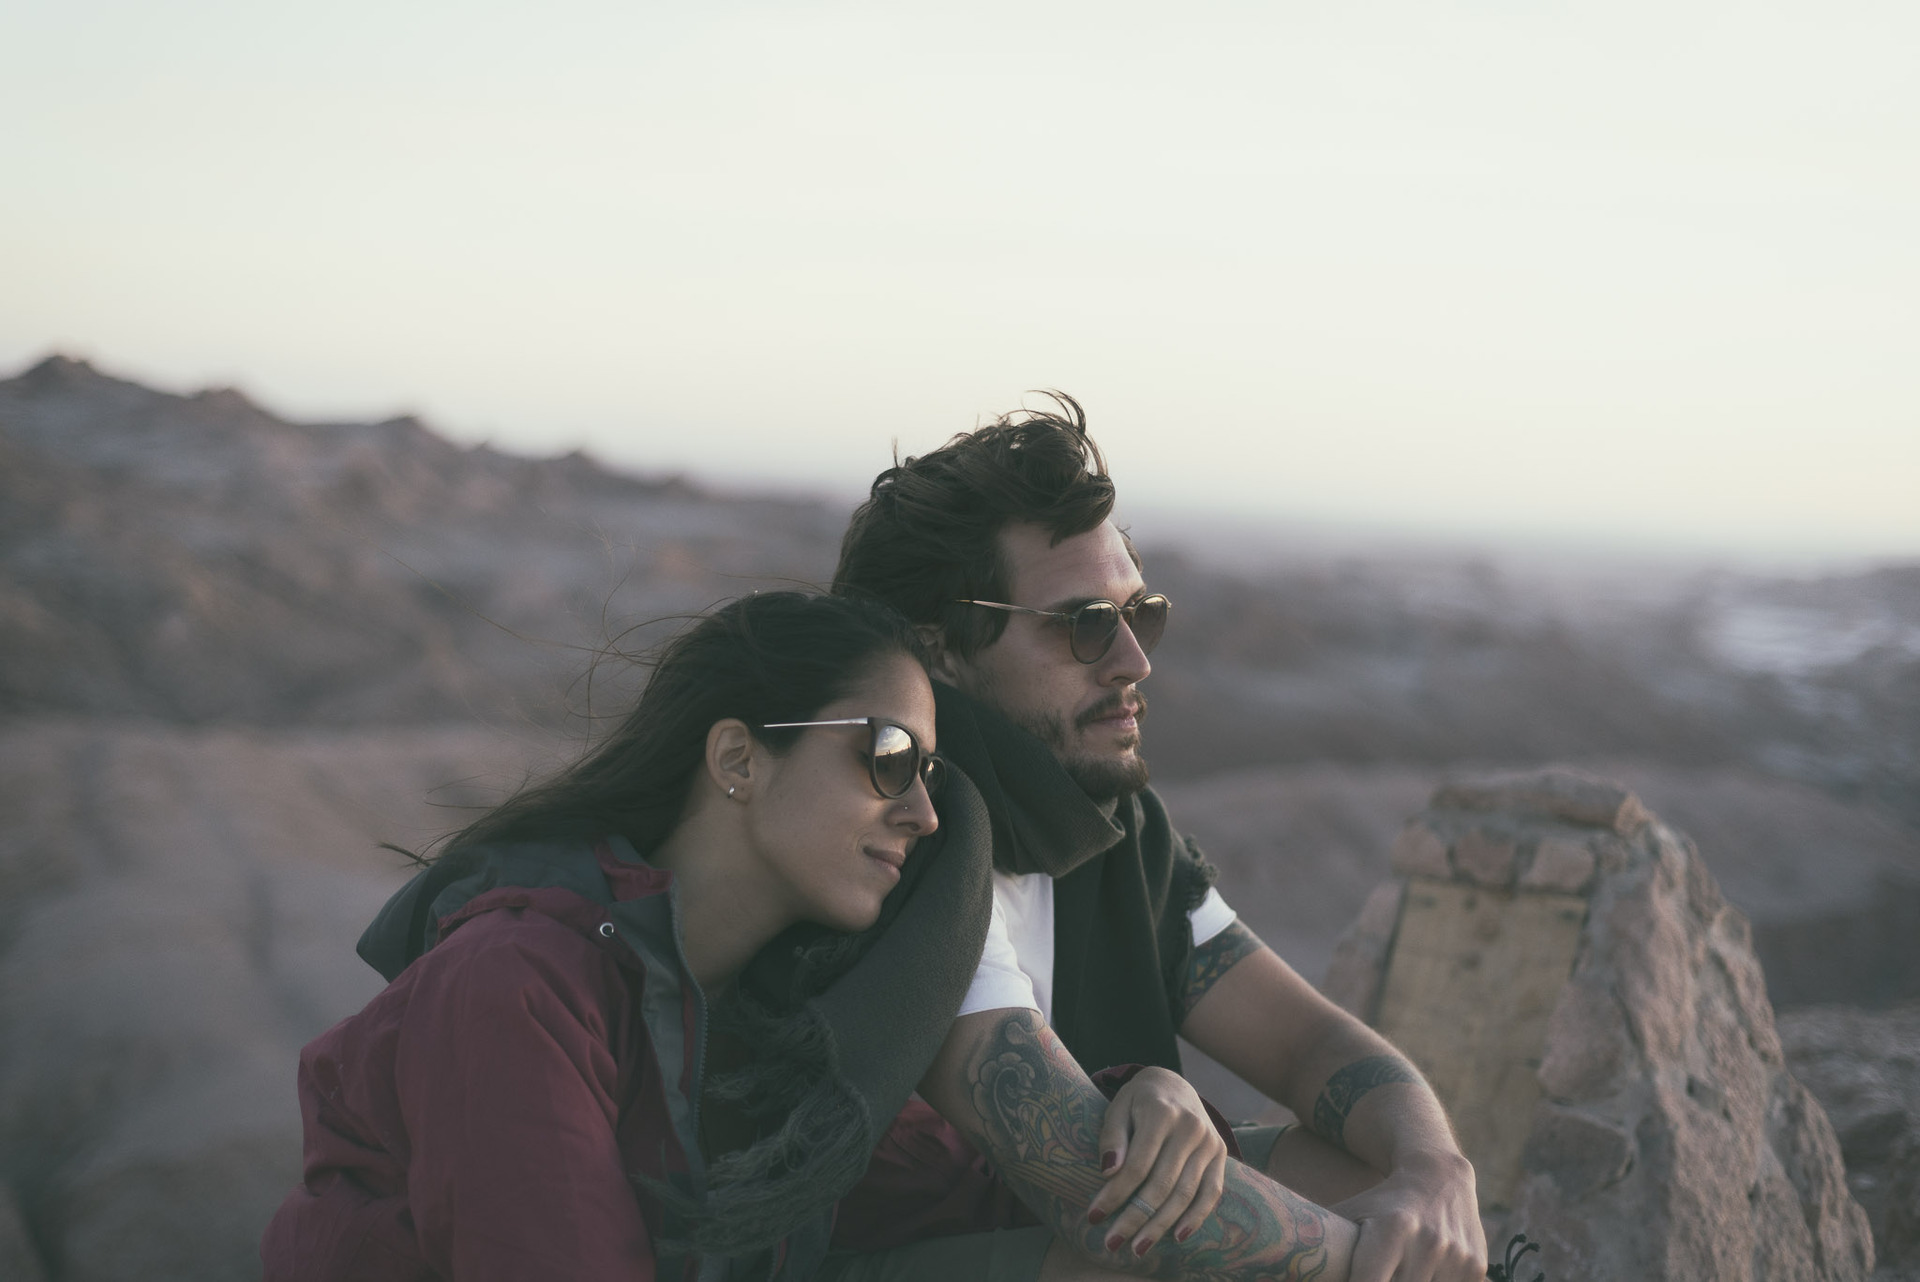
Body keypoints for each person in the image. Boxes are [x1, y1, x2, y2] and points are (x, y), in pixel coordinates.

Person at [825, 398, 1488, 1282]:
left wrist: (1434, 1172)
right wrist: (1372, 1264)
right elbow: (1077, 1181)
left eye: (1142, 615)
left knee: (1376, 1175)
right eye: (1085, 625)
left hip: (1039, 1231)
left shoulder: (1107, 829)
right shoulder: (905, 826)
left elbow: (1304, 1045)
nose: (1134, 661)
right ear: (943, 654)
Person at [261, 592, 990, 1281]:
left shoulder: (769, 1018)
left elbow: (980, 1186)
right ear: (738, 759)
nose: (925, 814)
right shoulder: (516, 985)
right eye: (891, 759)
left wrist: (1109, 1116)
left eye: (927, 771)